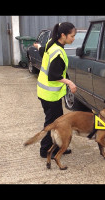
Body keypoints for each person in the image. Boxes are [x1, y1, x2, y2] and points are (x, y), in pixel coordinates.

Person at [34, 22, 77, 158]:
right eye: (72, 36)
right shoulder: (57, 52)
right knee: (52, 124)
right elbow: (53, 76)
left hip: (46, 92)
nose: (73, 38)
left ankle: (58, 147)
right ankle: (45, 150)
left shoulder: (51, 44)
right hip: (50, 95)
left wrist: (38, 46)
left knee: (57, 122)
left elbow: (43, 51)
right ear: (63, 35)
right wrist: (69, 82)